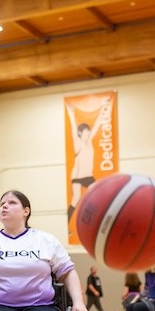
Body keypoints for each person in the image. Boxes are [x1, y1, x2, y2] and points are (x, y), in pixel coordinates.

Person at [66, 96, 110, 227]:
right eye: (85, 132)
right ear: (81, 134)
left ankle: (99, 222)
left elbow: (97, 124)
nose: (88, 134)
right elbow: (73, 128)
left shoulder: (89, 143)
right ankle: (68, 224)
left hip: (88, 176)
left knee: (100, 196)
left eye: (88, 132)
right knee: (75, 200)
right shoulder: (78, 144)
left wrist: (104, 108)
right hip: (77, 177)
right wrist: (71, 113)